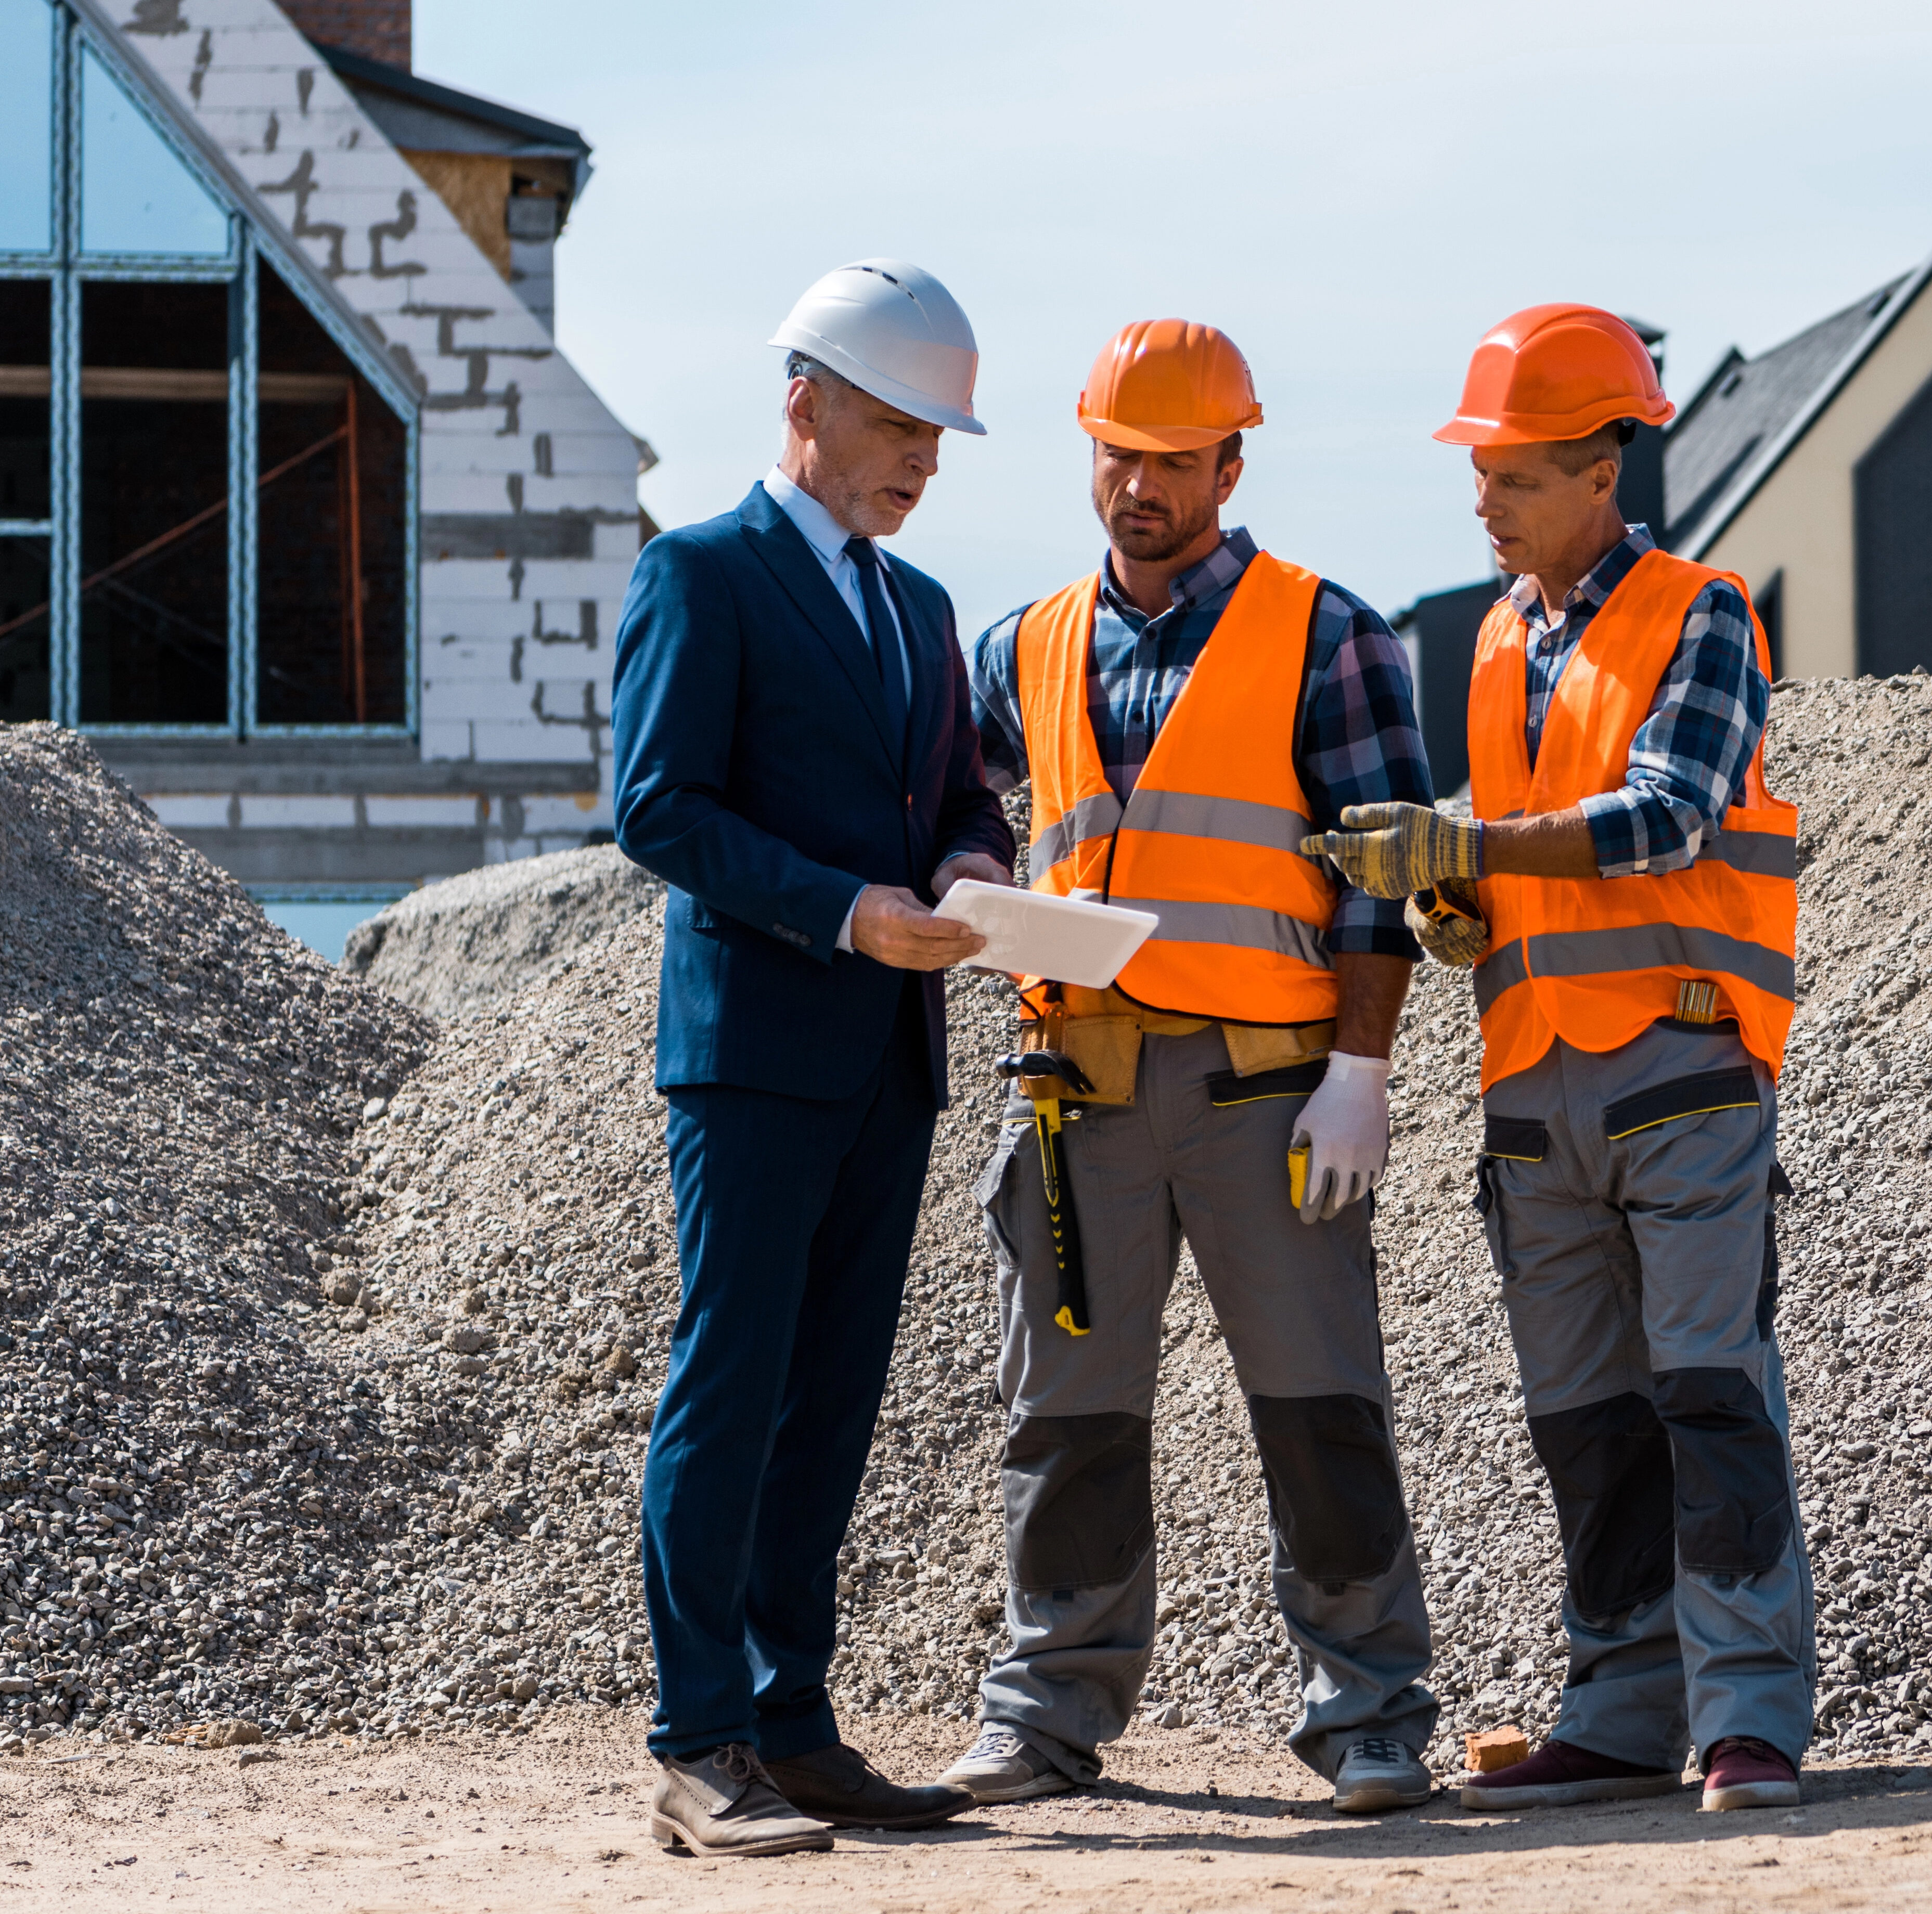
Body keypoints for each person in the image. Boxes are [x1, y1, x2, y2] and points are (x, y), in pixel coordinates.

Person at [929, 320, 1446, 1816]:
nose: (1139, 486)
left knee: (1319, 1409)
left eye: (1170, 461)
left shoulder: (1329, 635)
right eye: (1117, 455)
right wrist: (974, 878)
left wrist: (1362, 1070)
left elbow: (1381, 882)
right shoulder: (1020, 648)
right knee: (1065, 1422)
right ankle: (1046, 1714)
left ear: (1231, 463)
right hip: (1072, 1093)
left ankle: (1370, 1715)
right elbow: (966, 814)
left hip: (1266, 1096)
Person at [1303, 303, 1811, 1815]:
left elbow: (1668, 814)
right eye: (1480, 470)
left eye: (1514, 474)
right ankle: (1624, 1710)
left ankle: (1749, 1718)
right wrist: (1454, 901)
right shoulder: (1494, 639)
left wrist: (1465, 843)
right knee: (1587, 1423)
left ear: (1603, 470)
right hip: (1533, 1094)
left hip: (1682, 1070)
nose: (1485, 499)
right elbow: (1522, 855)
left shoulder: (1701, 611)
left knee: (1711, 1396)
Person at [608, 259, 1010, 1857]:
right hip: (758, 1055)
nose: (923, 457)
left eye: (937, 433)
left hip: (887, 1060)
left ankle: (791, 1724)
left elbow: (959, 796)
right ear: (805, 403)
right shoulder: (700, 575)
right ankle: (698, 1742)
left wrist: (972, 864)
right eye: (899, 423)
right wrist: (847, 913)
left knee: (832, 1401)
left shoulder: (922, 611)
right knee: (733, 1388)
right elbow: (658, 808)